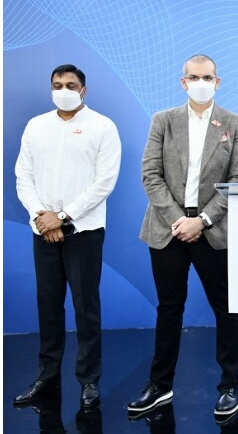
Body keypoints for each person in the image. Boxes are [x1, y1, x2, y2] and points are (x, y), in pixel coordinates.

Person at [127, 54, 238, 417]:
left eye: (207, 77)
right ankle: (160, 385)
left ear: (217, 82)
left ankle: (230, 385)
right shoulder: (163, 120)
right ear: (183, 82)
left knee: (226, 309)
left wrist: (203, 220)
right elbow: (151, 174)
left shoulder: (234, 123)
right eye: (194, 77)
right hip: (168, 229)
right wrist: (179, 219)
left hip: (213, 229)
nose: (201, 83)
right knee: (169, 308)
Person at [14, 64, 122, 409]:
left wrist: (61, 217)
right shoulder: (36, 126)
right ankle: (47, 377)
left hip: (83, 232)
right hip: (43, 231)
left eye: (71, 85)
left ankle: (89, 381)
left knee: (85, 307)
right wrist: (42, 216)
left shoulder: (102, 127)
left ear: (83, 91)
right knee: (48, 305)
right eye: (57, 85)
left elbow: (104, 183)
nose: (64, 90)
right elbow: (23, 176)